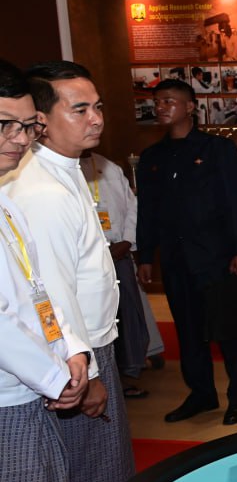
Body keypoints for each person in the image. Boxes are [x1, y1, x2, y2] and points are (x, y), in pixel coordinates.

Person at [2, 61, 135, 482]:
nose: (96, 118)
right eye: (79, 109)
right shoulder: (42, 191)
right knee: (87, 480)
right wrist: (90, 372)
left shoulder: (69, 171)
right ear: (42, 119)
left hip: (87, 349)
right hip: (74, 359)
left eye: (98, 106)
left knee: (98, 475)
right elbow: (51, 295)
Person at [0, 61, 95, 482]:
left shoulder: (6, 201)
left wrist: (72, 350)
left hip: (32, 389)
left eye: (24, 126)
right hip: (11, 401)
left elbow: (40, 293)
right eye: (6, 125)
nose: (18, 139)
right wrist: (55, 375)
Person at [136, 79, 237, 425]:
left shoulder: (218, 149)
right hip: (175, 259)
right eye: (158, 102)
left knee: (230, 330)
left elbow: (234, 203)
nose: (161, 107)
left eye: (169, 101)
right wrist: (146, 255)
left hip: (217, 256)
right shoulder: (152, 157)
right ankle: (202, 394)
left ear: (190, 107)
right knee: (188, 331)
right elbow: (147, 211)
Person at [79, 149, 154, 398]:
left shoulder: (109, 167)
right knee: (94, 320)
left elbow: (133, 207)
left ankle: (124, 376)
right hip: (87, 261)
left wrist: (127, 240)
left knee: (125, 318)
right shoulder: (61, 170)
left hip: (118, 253)